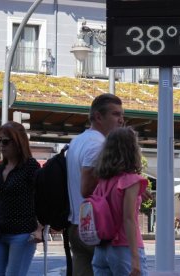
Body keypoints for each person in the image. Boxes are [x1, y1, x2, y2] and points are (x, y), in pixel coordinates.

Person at [66, 93, 124, 276]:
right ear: (98, 117)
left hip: (76, 225)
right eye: (115, 114)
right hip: (96, 227)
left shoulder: (77, 141)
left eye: (122, 115)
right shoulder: (98, 145)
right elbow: (86, 189)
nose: (121, 120)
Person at [0, 121, 41, 276]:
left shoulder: (31, 166)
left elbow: (41, 198)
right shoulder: (0, 167)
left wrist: (40, 228)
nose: (1, 145)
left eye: (6, 141)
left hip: (22, 233)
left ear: (19, 142)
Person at [91, 127, 148, 275]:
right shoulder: (132, 181)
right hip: (124, 249)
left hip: (101, 249)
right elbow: (128, 219)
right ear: (132, 150)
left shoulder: (102, 181)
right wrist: (135, 257)